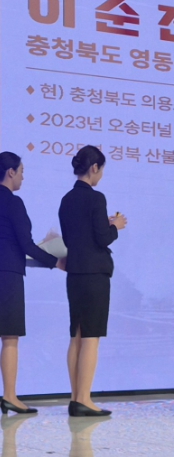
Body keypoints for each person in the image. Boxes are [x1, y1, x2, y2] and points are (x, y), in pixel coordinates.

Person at [59, 145, 127, 417]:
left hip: (75, 273)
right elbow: (102, 238)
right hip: (94, 274)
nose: (101, 175)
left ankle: (75, 397)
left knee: (76, 334)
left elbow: (71, 237)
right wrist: (115, 226)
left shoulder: (66, 199)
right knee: (91, 336)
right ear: (94, 167)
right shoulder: (96, 198)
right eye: (101, 170)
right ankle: (84, 399)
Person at [0, 152, 65, 415]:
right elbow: (25, 245)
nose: (23, 177)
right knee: (9, 337)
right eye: (22, 171)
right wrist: (55, 261)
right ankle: (10, 397)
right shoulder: (13, 203)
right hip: (7, 274)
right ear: (11, 172)